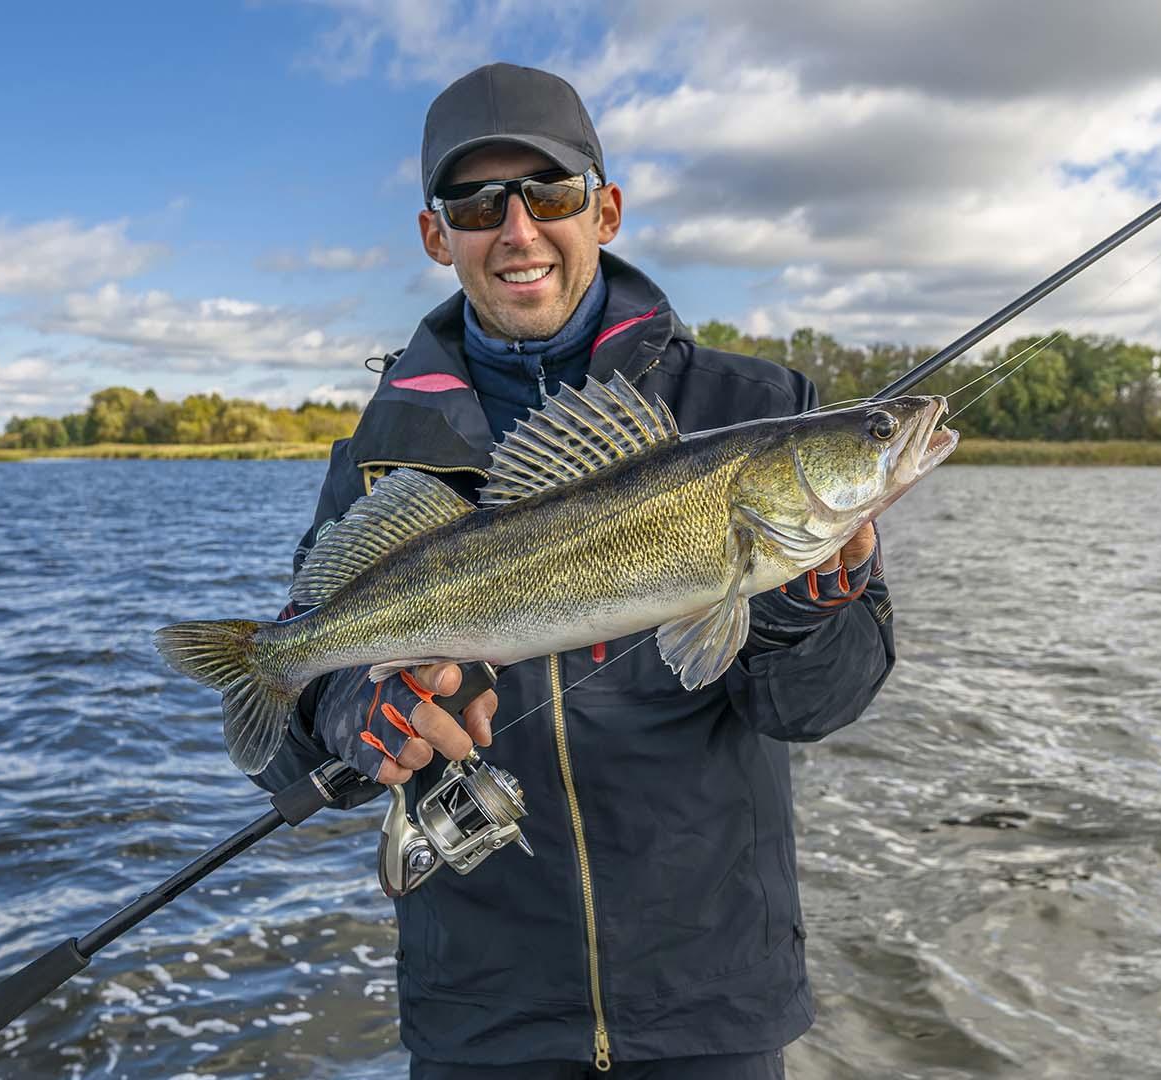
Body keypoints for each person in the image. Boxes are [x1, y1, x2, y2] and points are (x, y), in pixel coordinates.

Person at [250, 62, 897, 1079]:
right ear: (436, 236)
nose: (517, 231)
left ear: (605, 210)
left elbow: (814, 708)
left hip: (706, 1001)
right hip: (481, 1015)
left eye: (548, 194)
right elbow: (294, 740)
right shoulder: (381, 454)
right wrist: (338, 711)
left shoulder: (753, 406)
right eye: (475, 203)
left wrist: (807, 613)